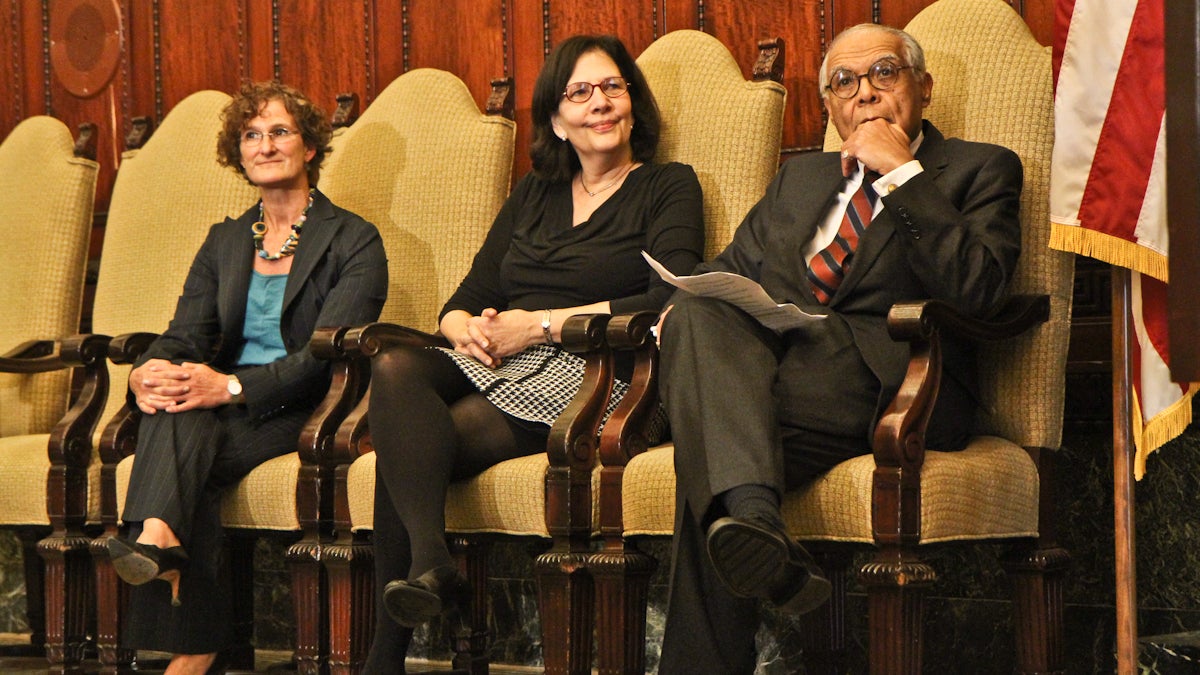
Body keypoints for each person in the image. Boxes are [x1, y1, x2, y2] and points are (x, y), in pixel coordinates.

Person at [655, 23, 1023, 673]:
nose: (866, 95)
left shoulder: (978, 168)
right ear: (828, 105)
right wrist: (679, 313)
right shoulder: (799, 181)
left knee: (707, 450)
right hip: (781, 372)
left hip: (897, 377)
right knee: (694, 312)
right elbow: (729, 270)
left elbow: (980, 290)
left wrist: (904, 175)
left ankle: (751, 538)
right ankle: (759, 525)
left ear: (923, 88)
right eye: (845, 83)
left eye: (885, 74)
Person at [361, 35, 704, 672]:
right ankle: (432, 567)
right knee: (393, 366)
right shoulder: (535, 193)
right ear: (555, 119)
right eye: (579, 93)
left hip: (603, 372)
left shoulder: (668, 185)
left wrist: (539, 325)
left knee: (404, 450)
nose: (599, 103)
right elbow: (466, 296)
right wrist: (467, 328)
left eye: (612, 87)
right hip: (506, 362)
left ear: (633, 102)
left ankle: (389, 651)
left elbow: (667, 298)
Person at [106, 81, 388, 674]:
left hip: (308, 407)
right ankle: (166, 551)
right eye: (251, 136)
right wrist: (146, 374)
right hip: (222, 402)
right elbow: (184, 332)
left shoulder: (354, 239)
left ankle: (181, 605)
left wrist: (230, 387)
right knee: (176, 415)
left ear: (309, 146)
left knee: (185, 430)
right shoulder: (225, 240)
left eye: (280, 132)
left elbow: (326, 352)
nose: (265, 146)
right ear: (239, 153)